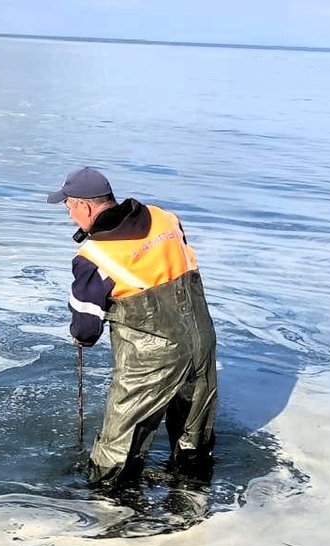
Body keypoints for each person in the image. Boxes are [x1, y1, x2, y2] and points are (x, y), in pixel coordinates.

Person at [48, 166, 218, 486]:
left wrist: (80, 337)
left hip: (151, 357)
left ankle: (110, 508)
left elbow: (86, 328)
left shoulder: (95, 255)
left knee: (118, 449)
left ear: (84, 206)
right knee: (194, 436)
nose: (71, 216)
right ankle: (193, 497)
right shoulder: (164, 217)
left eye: (69, 207)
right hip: (201, 338)